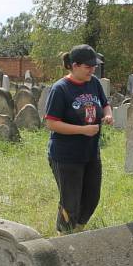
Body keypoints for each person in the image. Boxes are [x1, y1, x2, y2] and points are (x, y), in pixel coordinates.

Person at [44, 44, 113, 233]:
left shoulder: (94, 83)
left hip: (90, 152)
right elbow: (51, 123)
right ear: (74, 65)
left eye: (94, 66)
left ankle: (78, 229)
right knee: (70, 201)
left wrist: (108, 115)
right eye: (88, 66)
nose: (93, 69)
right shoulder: (60, 89)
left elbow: (105, 104)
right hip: (66, 155)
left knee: (92, 197)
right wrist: (82, 130)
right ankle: (64, 233)